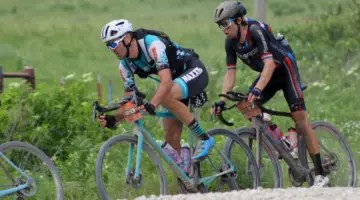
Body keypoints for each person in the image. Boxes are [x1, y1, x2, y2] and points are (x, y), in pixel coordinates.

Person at [212, 1, 329, 187]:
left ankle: (321, 174)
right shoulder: (230, 43)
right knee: (248, 105)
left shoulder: (255, 31)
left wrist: (258, 89)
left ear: (239, 20)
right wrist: (222, 99)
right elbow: (230, 73)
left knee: (300, 119)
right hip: (269, 75)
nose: (223, 29)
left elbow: (269, 64)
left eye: (226, 23)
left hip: (284, 69)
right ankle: (284, 143)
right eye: (220, 25)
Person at [97, 19, 215, 172]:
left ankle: (205, 138)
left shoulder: (152, 44)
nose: (112, 49)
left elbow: (165, 83)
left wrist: (152, 104)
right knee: (170, 138)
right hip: (175, 84)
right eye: (108, 45)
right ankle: (189, 177)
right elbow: (129, 102)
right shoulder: (125, 65)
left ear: (126, 39)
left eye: (113, 44)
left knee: (164, 96)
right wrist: (114, 119)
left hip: (192, 70)